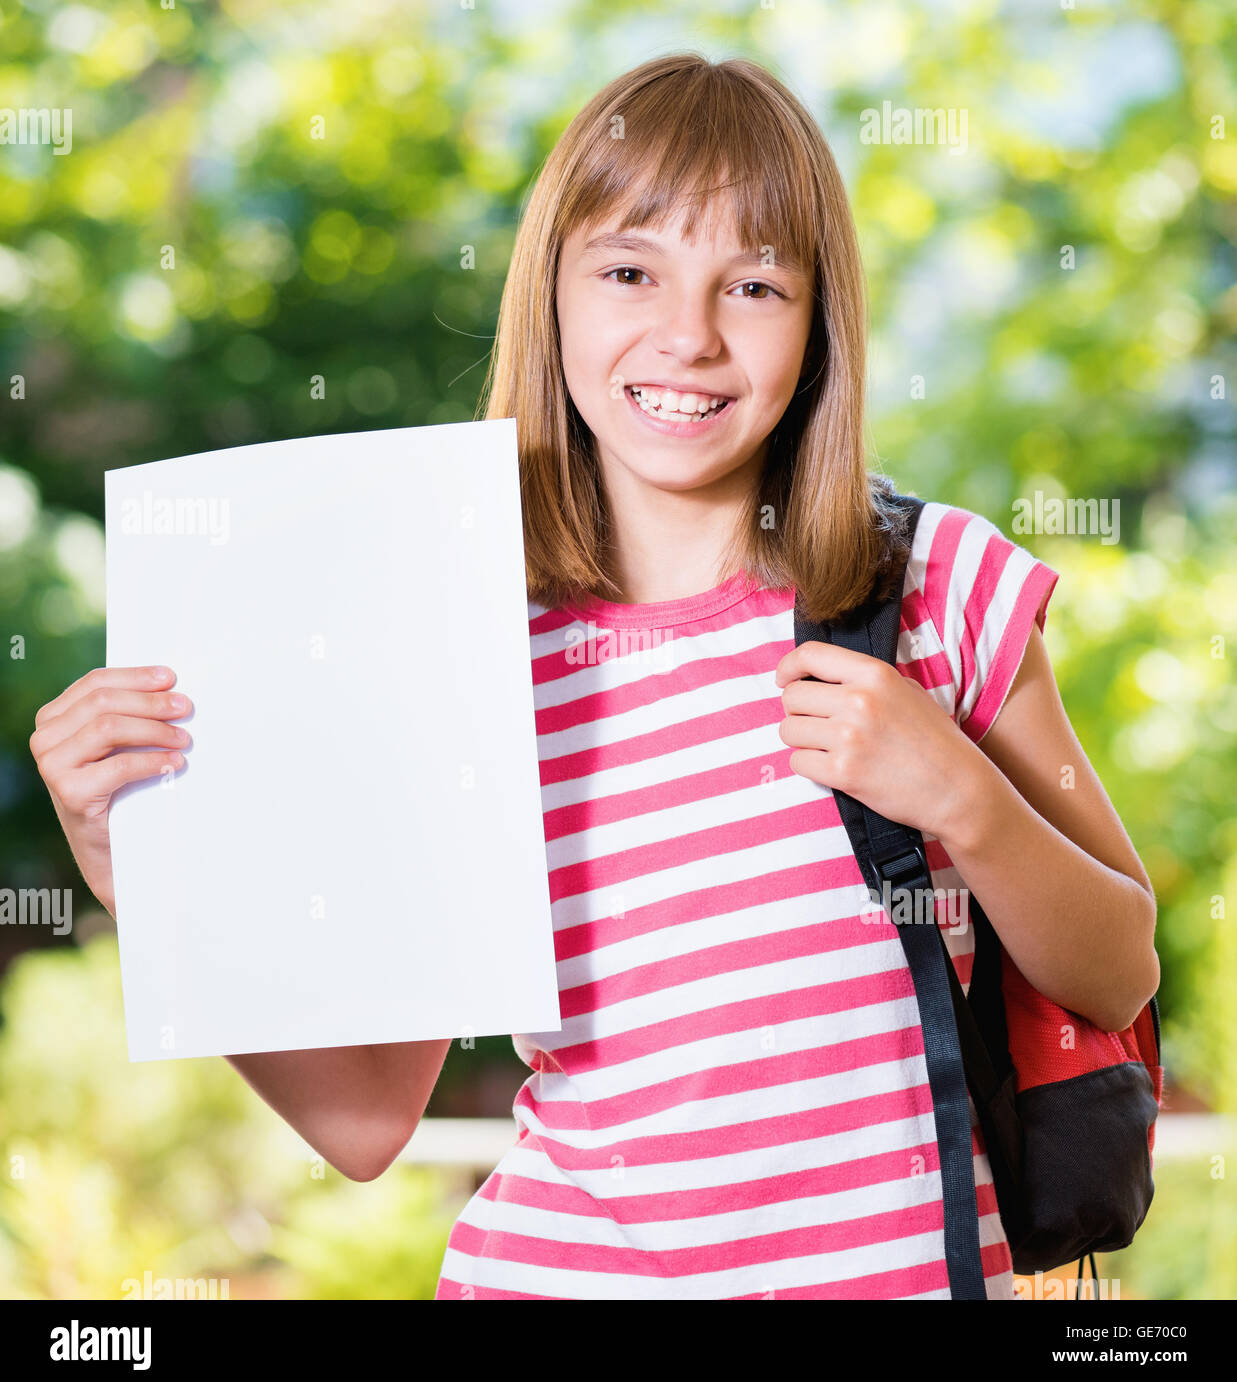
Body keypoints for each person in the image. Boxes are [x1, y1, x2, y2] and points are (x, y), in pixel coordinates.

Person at [29, 53, 1159, 1300]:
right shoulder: (465, 649)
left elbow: (1116, 969)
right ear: (551, 297)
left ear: (820, 321)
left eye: (755, 284)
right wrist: (141, 869)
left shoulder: (938, 585)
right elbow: (363, 1124)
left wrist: (961, 796)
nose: (688, 334)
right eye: (630, 271)